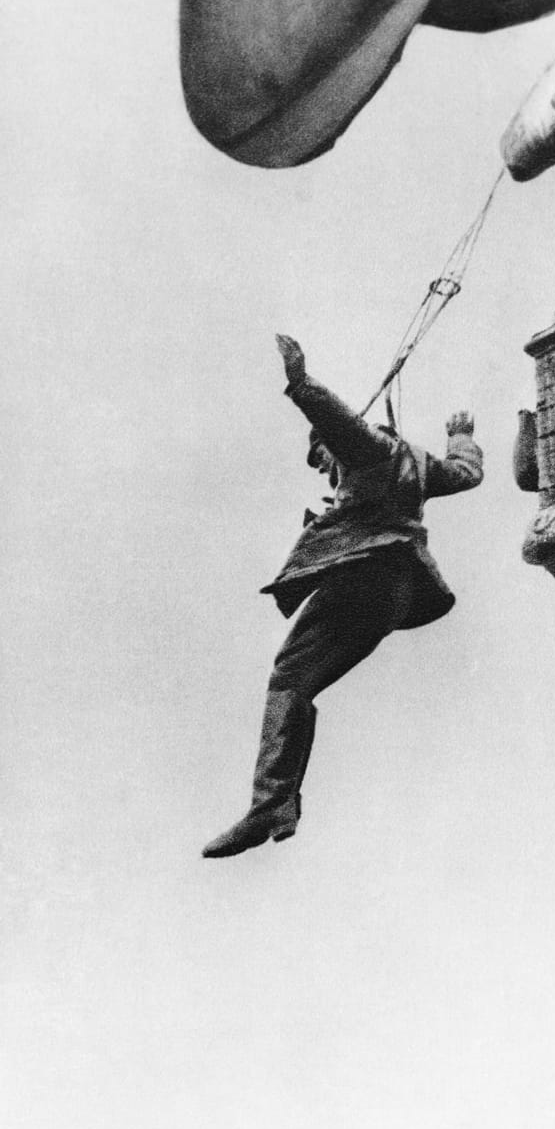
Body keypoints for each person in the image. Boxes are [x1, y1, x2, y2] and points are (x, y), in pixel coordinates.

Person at [202, 334, 484, 857]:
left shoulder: (366, 450)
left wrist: (300, 383)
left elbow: (338, 422)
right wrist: (460, 434)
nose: (325, 472)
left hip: (365, 578)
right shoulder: (418, 465)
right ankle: (276, 805)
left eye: (322, 460)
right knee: (299, 682)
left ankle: (271, 804)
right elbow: (466, 474)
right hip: (395, 593)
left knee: (287, 676)